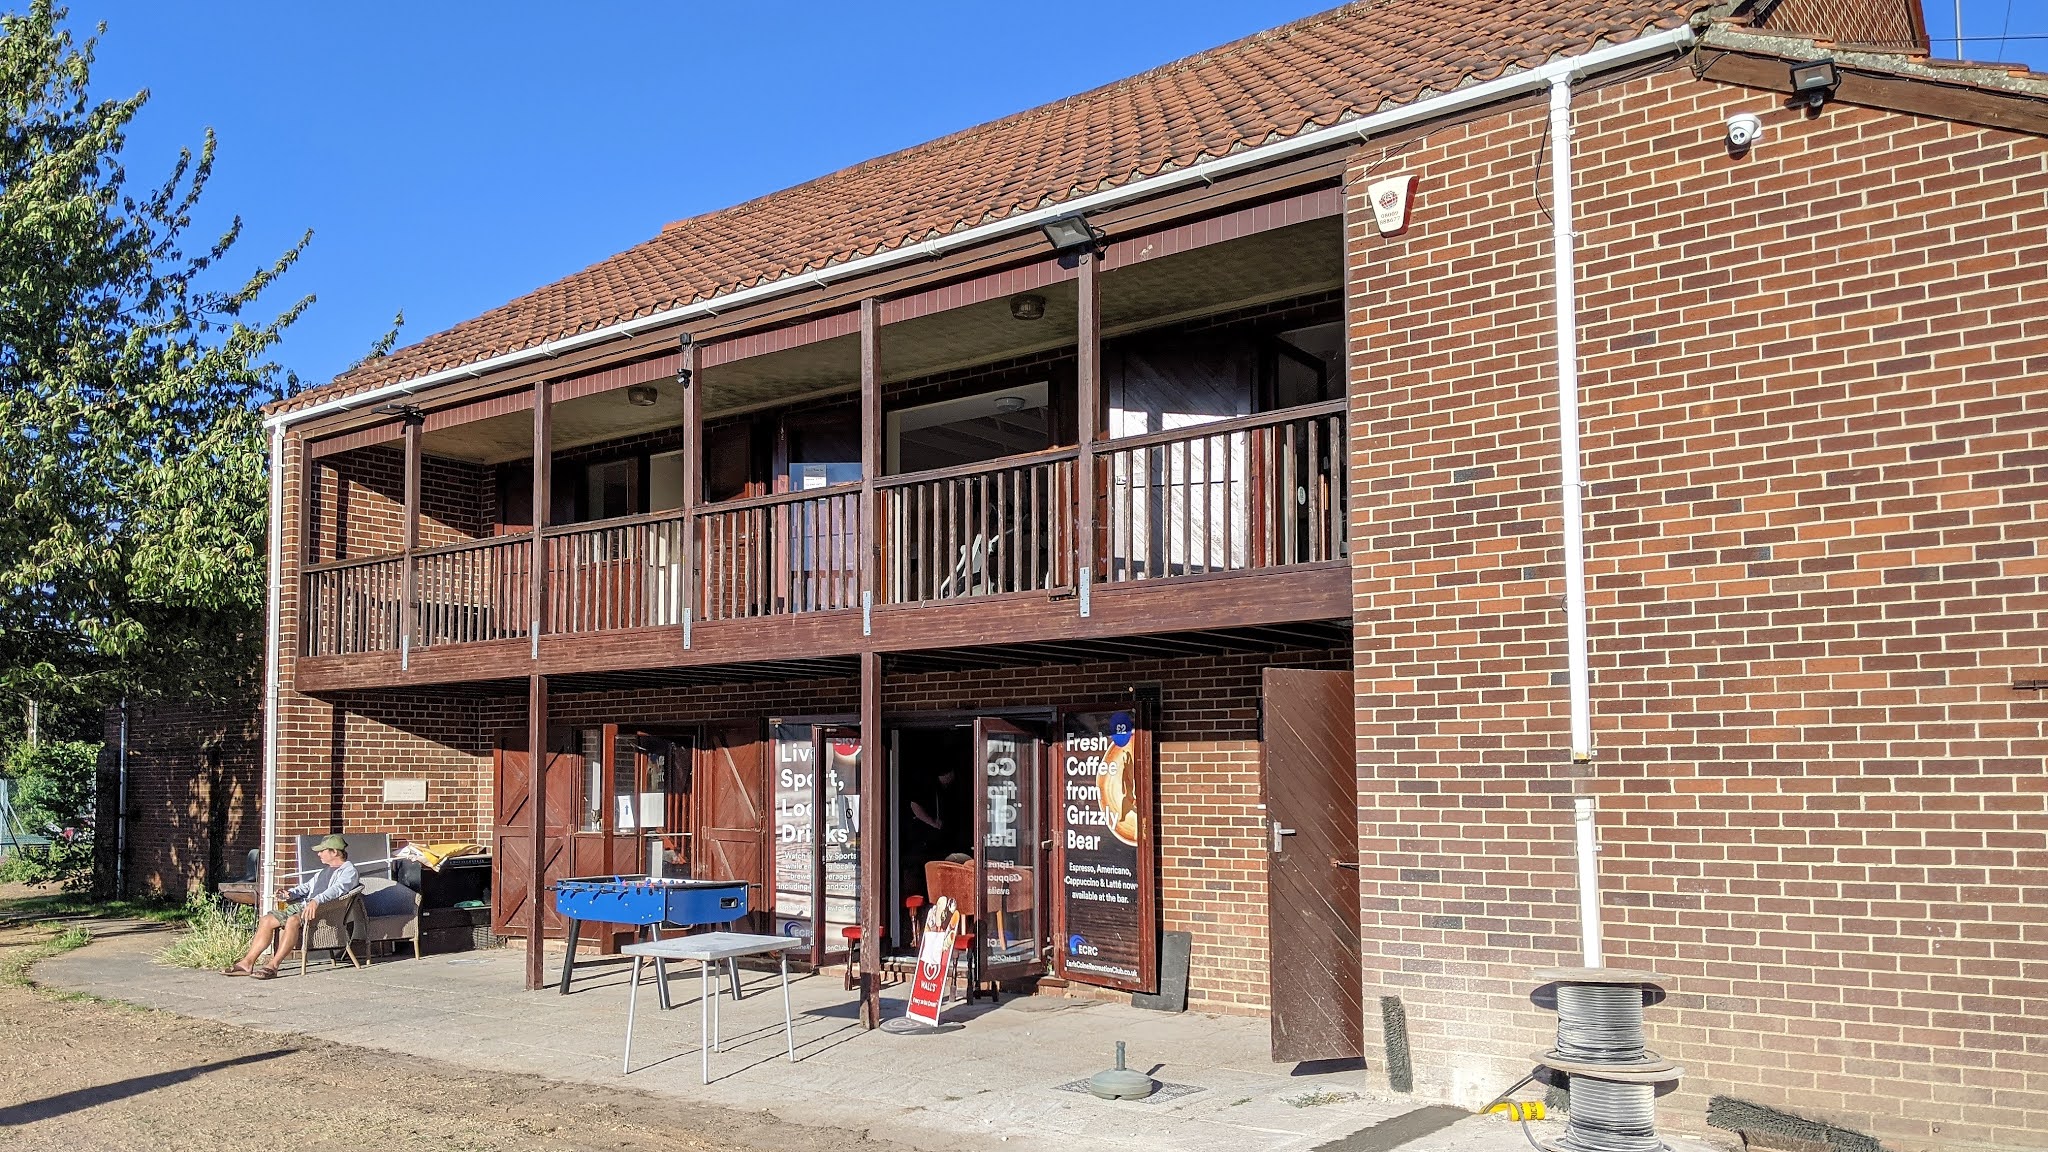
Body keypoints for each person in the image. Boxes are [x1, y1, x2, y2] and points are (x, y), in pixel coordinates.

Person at [224, 834, 360, 979]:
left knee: (293, 920)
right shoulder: (324, 871)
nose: (318, 854)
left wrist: (316, 900)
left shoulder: (349, 871)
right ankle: (247, 963)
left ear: (334, 852)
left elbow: (337, 890)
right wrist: (290, 894)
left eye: (322, 850)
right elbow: (307, 887)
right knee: (266, 920)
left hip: (324, 912)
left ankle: (273, 965)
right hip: (304, 907)